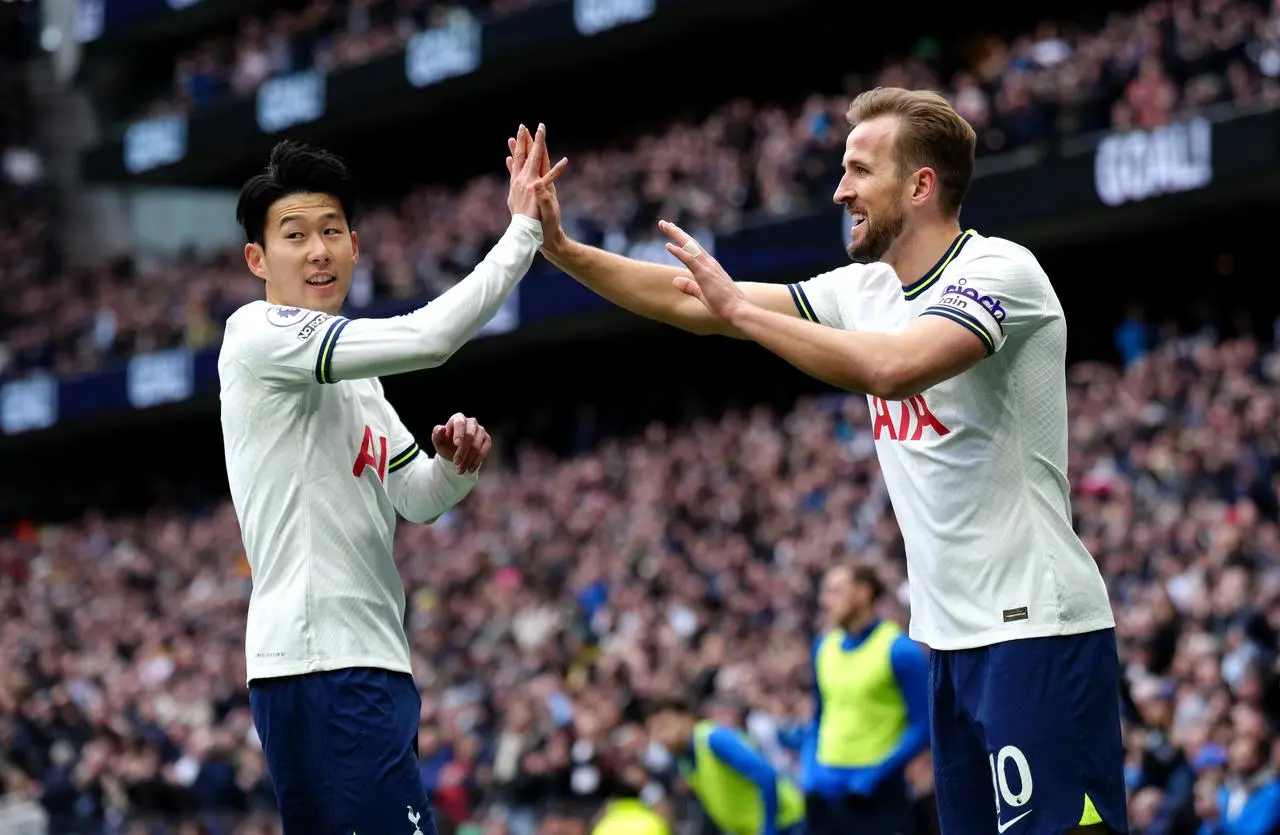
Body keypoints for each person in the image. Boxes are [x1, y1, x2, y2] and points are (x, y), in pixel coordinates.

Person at [525, 89, 1127, 834]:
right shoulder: (866, 289)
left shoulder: (1002, 271)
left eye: (859, 170)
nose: (839, 189)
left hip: (1036, 627)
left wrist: (741, 312)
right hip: (947, 639)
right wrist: (563, 251)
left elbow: (896, 368)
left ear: (920, 185)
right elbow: (693, 301)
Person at [218, 125, 565, 834]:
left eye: (331, 230)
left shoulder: (358, 378)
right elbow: (428, 339)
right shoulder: (255, 333)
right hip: (325, 665)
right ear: (258, 257)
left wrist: (455, 468)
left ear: (354, 245)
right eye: (294, 234)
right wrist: (523, 231)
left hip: (360, 663)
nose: (317, 250)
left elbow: (416, 495)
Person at [803, 564, 929, 835]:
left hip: (877, 800)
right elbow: (818, 716)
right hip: (827, 798)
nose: (825, 601)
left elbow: (925, 726)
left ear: (862, 593)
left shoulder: (900, 650)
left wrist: (876, 774)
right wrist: (809, 774)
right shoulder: (823, 647)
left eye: (835, 591)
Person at [647, 698, 806, 835]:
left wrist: (769, 829)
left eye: (664, 726)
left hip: (786, 823)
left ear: (686, 717)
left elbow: (765, 775)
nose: (661, 736)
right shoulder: (684, 760)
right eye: (654, 731)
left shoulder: (714, 739)